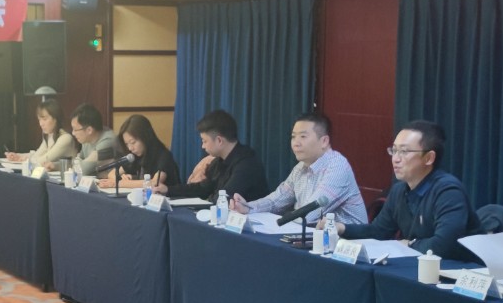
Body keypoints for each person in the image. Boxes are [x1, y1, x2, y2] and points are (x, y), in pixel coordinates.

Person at [342, 121, 478, 259]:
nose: (395, 159)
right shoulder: (399, 190)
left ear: (429, 158)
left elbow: (444, 245)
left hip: (461, 267)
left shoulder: (448, 192)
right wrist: (341, 228)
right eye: (394, 150)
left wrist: (409, 244)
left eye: (404, 152)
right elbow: (378, 231)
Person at [233, 112, 366, 226]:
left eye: (303, 136)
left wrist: (280, 222)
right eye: (293, 137)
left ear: (324, 141)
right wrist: (248, 207)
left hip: (351, 241)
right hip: (315, 235)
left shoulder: (338, 167)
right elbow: (276, 201)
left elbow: (310, 213)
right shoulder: (300, 167)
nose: (295, 143)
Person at [172, 109, 268, 202]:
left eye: (204, 141)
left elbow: (224, 198)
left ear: (219, 140)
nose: (203, 146)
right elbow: (202, 189)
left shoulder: (247, 164)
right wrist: (168, 190)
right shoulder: (218, 162)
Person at [104, 113, 181, 192]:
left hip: (167, 198)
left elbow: (154, 183)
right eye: (127, 144)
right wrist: (122, 178)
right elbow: (111, 174)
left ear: (145, 137)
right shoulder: (135, 156)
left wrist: (120, 183)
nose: (130, 148)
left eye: (133, 142)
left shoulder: (163, 156)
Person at [6, 99, 80, 169]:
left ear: (56, 119)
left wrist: (23, 160)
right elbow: (37, 155)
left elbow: (44, 160)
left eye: (44, 119)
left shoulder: (65, 138)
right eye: (39, 120)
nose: (41, 124)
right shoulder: (50, 136)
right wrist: (18, 156)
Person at [69, 103, 117, 176]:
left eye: (75, 129)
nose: (73, 133)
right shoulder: (86, 139)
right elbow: (77, 162)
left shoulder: (108, 140)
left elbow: (82, 170)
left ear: (89, 130)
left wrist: (79, 165)